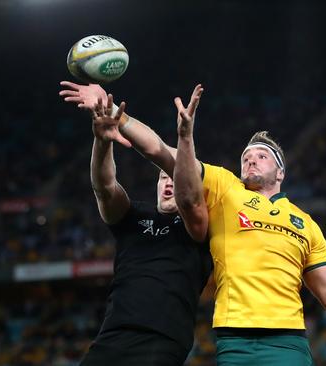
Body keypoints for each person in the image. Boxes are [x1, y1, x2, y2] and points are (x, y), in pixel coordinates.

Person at [60, 81, 326, 366]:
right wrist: (118, 117)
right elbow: (160, 152)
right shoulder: (225, 188)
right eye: (246, 156)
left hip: (289, 343)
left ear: (280, 171)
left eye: (262, 155)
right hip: (233, 341)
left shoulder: (307, 224)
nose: (251, 158)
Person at [59, 87, 212, 366]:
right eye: (163, 177)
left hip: (162, 341)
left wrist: (183, 138)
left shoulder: (200, 225)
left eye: (175, 178)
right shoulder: (133, 215)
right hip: (111, 337)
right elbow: (104, 188)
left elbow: (180, 183)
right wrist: (102, 141)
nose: (168, 182)